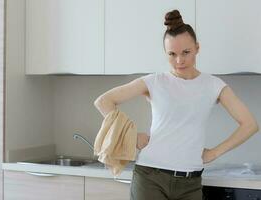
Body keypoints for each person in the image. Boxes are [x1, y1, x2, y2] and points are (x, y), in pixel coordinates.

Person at [94, 9, 259, 200]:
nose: (179, 61)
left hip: (190, 183)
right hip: (150, 177)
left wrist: (214, 153)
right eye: (172, 54)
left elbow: (250, 124)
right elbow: (104, 101)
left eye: (186, 52)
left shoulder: (214, 85)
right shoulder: (154, 81)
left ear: (197, 48)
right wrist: (131, 135)